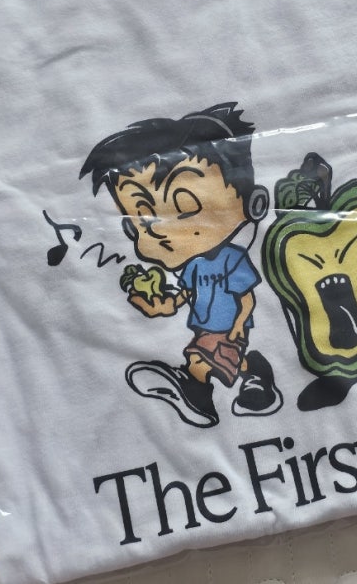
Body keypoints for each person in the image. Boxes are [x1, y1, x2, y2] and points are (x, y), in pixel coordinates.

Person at [80, 102, 283, 428]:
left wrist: (238, 325)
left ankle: (210, 390)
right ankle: (246, 376)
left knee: (203, 361)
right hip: (205, 327)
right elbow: (186, 295)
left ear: (254, 204)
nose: (161, 230)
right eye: (143, 219)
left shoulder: (231, 259)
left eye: (184, 206)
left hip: (228, 327)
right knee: (215, 361)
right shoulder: (192, 267)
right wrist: (163, 304)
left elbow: (246, 298)